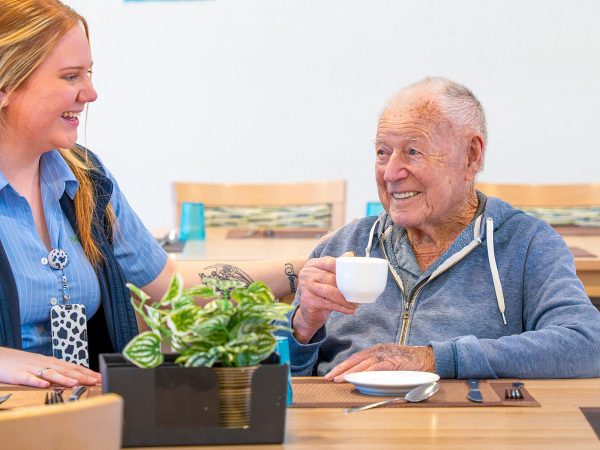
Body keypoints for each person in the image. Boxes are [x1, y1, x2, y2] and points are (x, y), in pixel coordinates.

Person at [0, 0, 305, 388]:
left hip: (79, 417)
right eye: (71, 76)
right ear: (5, 85)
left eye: (88, 74)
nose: (90, 93)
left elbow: (169, 285)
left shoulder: (88, 180)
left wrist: (300, 269)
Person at [282, 77, 600, 380]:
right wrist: (302, 327)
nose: (391, 173)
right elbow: (281, 384)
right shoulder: (342, 246)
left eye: (413, 151)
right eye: (382, 152)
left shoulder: (527, 245)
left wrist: (436, 359)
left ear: (471, 156)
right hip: (345, 430)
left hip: (465, 431)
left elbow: (587, 345)